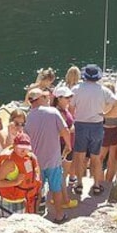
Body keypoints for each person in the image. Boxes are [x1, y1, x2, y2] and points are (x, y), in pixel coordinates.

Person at [24, 88, 73, 223]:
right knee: (56, 188)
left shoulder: (29, 116)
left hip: (36, 162)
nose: (47, 99)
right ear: (39, 99)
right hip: (53, 160)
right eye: (45, 97)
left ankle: (35, 217)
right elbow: (65, 130)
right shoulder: (53, 112)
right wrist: (68, 146)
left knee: (37, 190)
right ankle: (59, 215)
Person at [70, 64, 114, 197]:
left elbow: (71, 108)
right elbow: (115, 102)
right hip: (97, 125)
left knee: (79, 156)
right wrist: (105, 113)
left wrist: (74, 118)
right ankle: (96, 185)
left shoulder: (76, 89)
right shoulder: (103, 90)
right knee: (96, 158)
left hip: (81, 125)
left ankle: (79, 184)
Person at [0, 133, 40, 216]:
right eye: (20, 148)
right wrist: (15, 182)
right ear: (14, 146)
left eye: (26, 148)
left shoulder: (29, 158)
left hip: (24, 200)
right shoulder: (9, 163)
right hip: (9, 202)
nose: (23, 151)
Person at [51, 86, 76, 200]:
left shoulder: (63, 110)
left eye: (70, 97)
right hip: (63, 146)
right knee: (61, 175)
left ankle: (59, 198)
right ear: (59, 98)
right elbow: (56, 132)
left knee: (63, 174)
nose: (69, 99)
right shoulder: (58, 112)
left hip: (67, 145)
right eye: (67, 97)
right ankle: (63, 199)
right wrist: (70, 132)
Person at [98, 87, 117, 186]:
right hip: (115, 131)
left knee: (100, 158)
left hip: (103, 131)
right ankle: (108, 182)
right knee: (112, 159)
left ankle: (99, 182)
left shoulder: (101, 104)